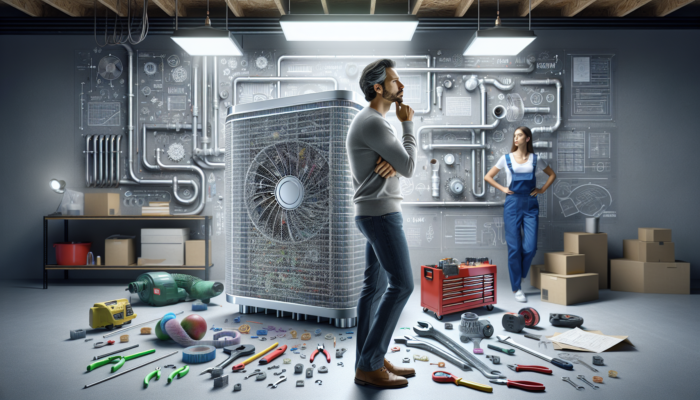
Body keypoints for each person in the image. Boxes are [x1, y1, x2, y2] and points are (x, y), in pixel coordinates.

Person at [346, 59, 417, 389]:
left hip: (371, 212)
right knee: (402, 285)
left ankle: (368, 358)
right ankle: (370, 364)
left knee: (372, 290)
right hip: (382, 215)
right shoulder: (375, 122)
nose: (400, 86)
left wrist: (393, 162)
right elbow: (409, 166)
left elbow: (398, 165)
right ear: (378, 88)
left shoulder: (372, 122)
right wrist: (408, 126)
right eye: (394, 81)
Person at [484, 127, 556, 303]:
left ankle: (520, 274)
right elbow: (488, 177)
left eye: (520, 135)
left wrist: (541, 190)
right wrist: (503, 189)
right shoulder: (505, 158)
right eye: (514, 136)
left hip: (530, 204)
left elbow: (552, 175)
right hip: (512, 204)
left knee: (530, 247)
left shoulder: (535, 159)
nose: (516, 138)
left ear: (528, 139)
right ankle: (517, 287)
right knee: (514, 248)